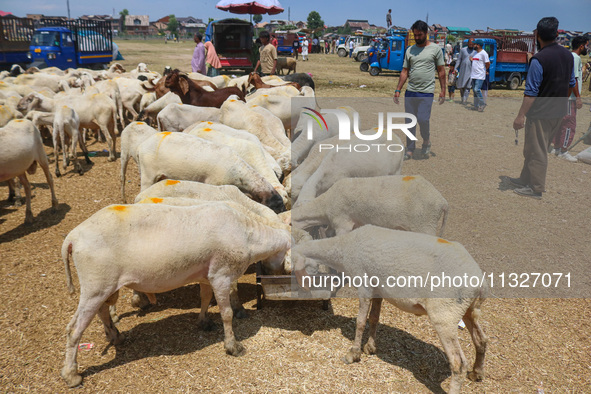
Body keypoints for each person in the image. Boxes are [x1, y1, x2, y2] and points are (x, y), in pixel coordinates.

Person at [507, 17, 577, 199]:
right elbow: (571, 82)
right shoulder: (567, 55)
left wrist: (520, 116)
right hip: (558, 111)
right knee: (535, 147)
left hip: (541, 113)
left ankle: (536, 188)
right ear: (556, 34)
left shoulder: (539, 59)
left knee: (537, 150)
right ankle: (525, 178)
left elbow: (531, 92)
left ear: (537, 35)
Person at [393, 20, 446, 160]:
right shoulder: (410, 50)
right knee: (409, 122)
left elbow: (441, 71)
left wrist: (443, 90)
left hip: (426, 92)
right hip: (410, 91)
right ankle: (410, 149)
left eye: (419, 35)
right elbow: (405, 71)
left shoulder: (435, 49)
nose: (417, 38)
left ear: (426, 33)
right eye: (415, 35)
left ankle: (426, 140)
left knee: (423, 119)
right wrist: (398, 89)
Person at [551, 35, 588, 162]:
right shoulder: (576, 58)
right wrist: (577, 97)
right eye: (586, 45)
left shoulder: (569, 56)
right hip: (570, 97)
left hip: (563, 95)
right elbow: (574, 80)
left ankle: (556, 147)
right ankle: (563, 150)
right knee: (569, 123)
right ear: (581, 46)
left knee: (561, 121)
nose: (587, 48)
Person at [470, 39, 490, 112]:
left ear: (478, 45)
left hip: (480, 75)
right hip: (473, 75)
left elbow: (488, 63)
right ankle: (476, 106)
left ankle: (482, 103)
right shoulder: (475, 53)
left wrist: (484, 70)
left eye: (474, 44)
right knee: (474, 91)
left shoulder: (484, 53)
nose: (473, 45)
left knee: (477, 89)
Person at [456, 38, 475, 104]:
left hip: (471, 71)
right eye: (470, 44)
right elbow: (459, 60)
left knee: (468, 87)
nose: (471, 45)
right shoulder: (463, 50)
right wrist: (456, 68)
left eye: (472, 44)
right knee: (461, 86)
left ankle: (464, 100)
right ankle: (462, 98)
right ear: (467, 43)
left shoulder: (475, 52)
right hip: (463, 70)